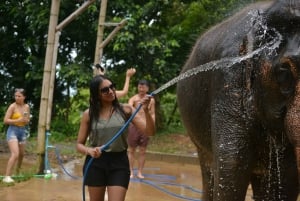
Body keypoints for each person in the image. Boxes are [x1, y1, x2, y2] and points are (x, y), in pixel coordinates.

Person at [76, 75, 155, 201]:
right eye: (105, 90)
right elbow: (79, 144)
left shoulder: (126, 109)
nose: (111, 91)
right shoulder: (89, 114)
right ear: (97, 94)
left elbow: (150, 132)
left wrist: (146, 111)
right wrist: (89, 151)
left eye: (112, 87)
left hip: (119, 163)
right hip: (96, 163)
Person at [127, 80, 156, 179]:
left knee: (143, 150)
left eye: (143, 87)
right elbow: (129, 109)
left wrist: (152, 124)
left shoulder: (151, 100)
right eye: (140, 87)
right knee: (131, 150)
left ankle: (139, 172)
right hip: (134, 126)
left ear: (147, 88)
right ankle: (130, 171)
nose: (141, 89)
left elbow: (152, 113)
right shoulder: (133, 99)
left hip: (145, 126)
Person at [3, 88, 30, 183]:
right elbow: (5, 120)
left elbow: (27, 119)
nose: (17, 98)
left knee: (22, 154)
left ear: (24, 97)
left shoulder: (26, 106)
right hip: (12, 131)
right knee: (15, 154)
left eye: (19, 96)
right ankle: (7, 176)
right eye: (16, 96)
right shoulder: (12, 106)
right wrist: (17, 121)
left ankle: (17, 173)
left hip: (22, 131)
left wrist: (26, 120)